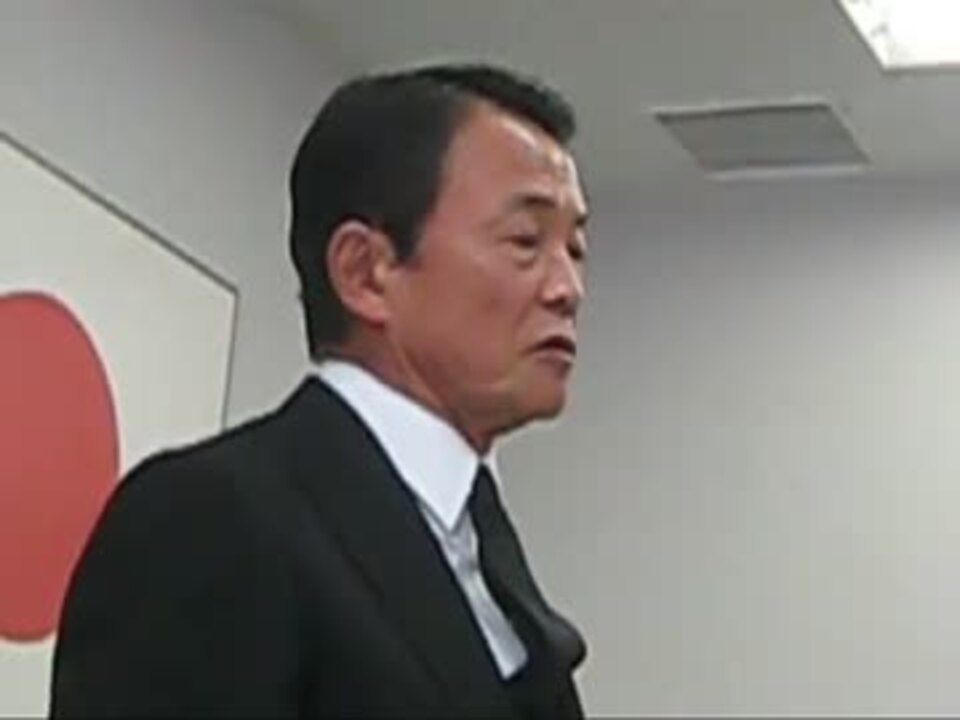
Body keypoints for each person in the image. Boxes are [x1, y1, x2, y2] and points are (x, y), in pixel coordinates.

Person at [50, 61, 590, 718]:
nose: (568, 289)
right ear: (365, 272)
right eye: (526, 241)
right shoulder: (209, 518)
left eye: (576, 250)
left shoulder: (493, 559)